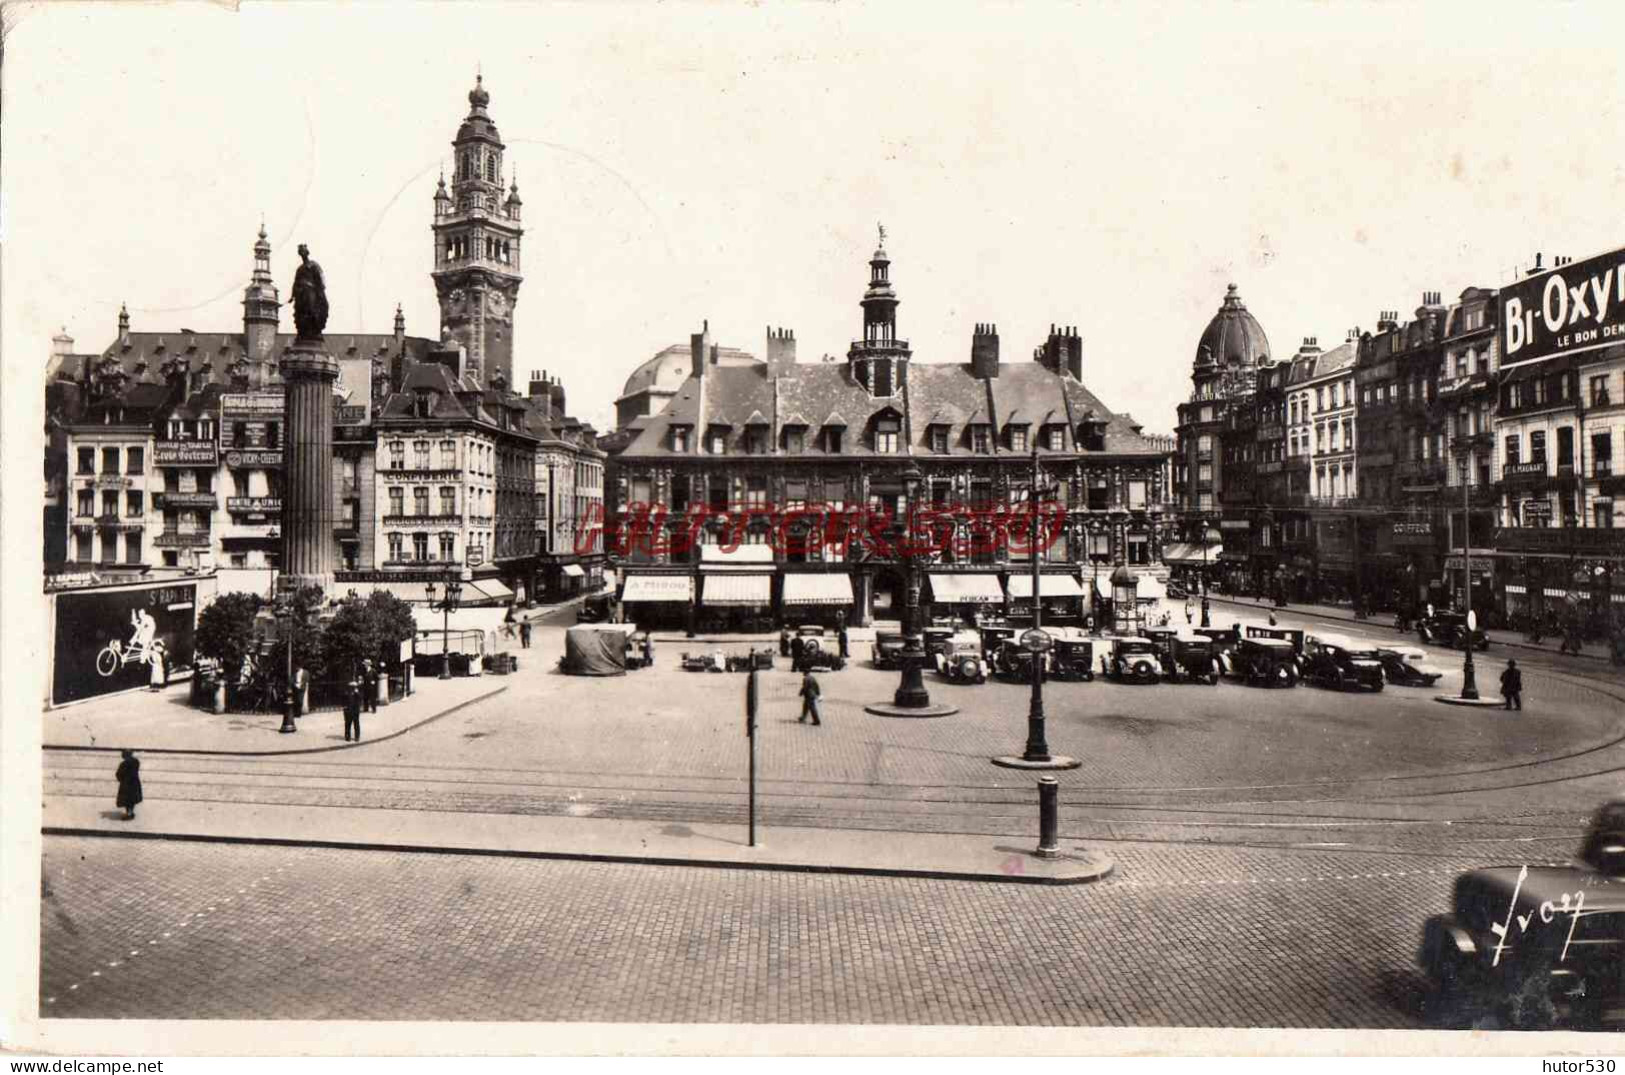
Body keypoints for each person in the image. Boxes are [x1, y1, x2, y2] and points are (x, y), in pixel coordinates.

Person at [115, 749, 142, 820]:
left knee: (127, 801)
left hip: (126, 784)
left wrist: (121, 779)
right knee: (132, 800)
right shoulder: (136, 761)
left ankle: (129, 814)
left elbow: (119, 774)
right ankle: (131, 812)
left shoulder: (124, 764)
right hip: (135, 783)